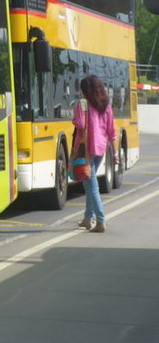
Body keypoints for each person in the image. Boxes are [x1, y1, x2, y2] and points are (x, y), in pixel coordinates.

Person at [73, 74, 115, 233]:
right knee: (88, 183)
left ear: (87, 91)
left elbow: (80, 124)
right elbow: (112, 131)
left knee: (91, 186)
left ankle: (101, 220)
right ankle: (87, 218)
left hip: (86, 150)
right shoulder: (106, 106)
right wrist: (116, 153)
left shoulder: (83, 105)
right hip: (100, 148)